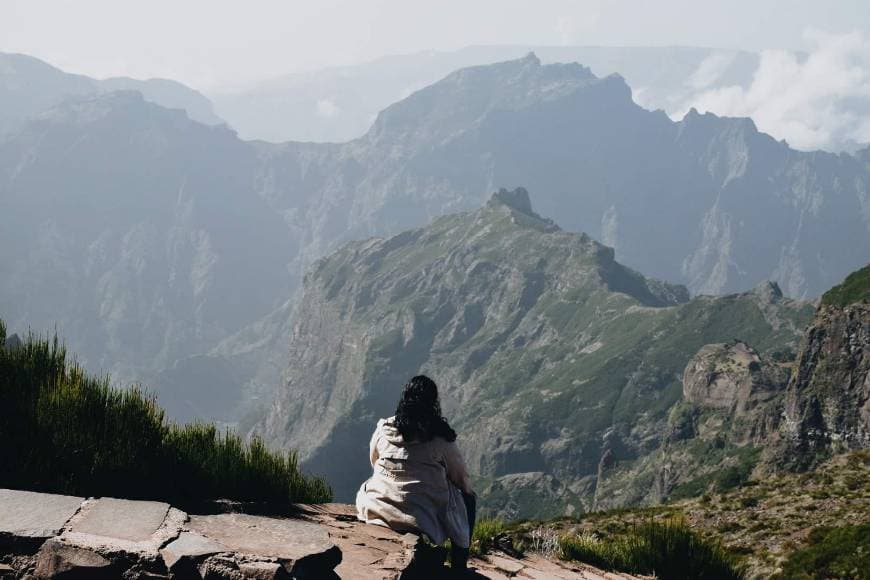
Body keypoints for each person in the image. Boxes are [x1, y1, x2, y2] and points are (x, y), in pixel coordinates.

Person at [356, 375, 477, 572]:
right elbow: (461, 479)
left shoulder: (384, 429)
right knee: (468, 499)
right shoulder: (440, 439)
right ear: (433, 402)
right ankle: (459, 567)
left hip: (378, 504)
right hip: (420, 515)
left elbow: (375, 460)